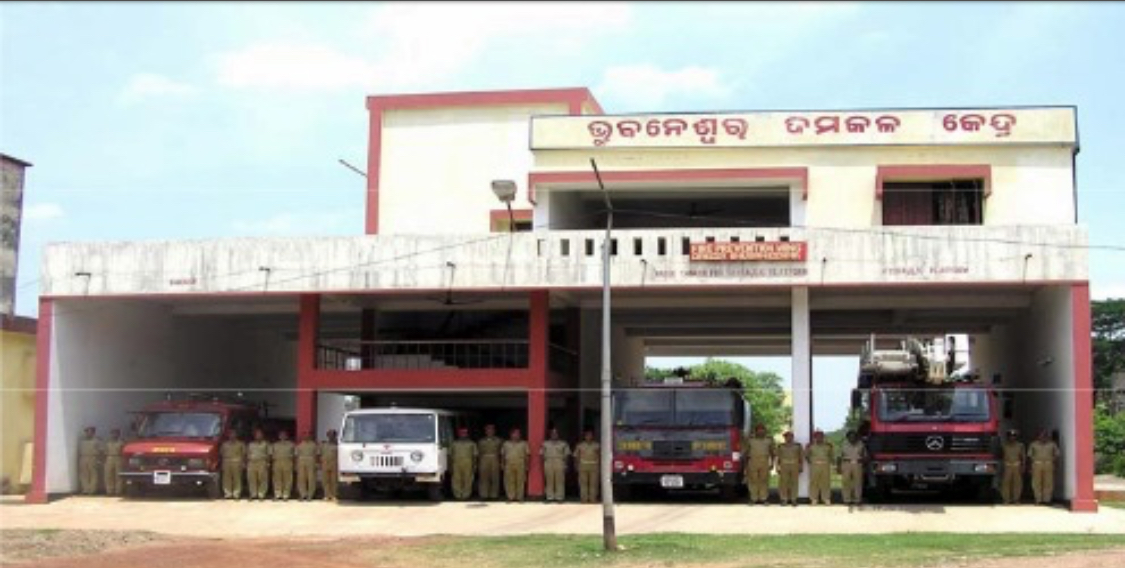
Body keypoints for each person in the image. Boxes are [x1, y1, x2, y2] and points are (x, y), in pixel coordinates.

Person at [743, 424, 775, 505]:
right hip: (753, 461)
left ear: (765, 431)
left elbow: (772, 452)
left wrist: (772, 463)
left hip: (764, 461)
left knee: (764, 480)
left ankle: (763, 498)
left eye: (762, 430)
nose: (761, 432)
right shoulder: (750, 440)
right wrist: (745, 465)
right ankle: (753, 498)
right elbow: (746, 453)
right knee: (753, 480)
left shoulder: (769, 440)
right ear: (756, 431)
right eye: (759, 430)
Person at [1028, 429, 1060, 505]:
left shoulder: (1052, 444)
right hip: (1037, 464)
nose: (1043, 437)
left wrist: (1056, 465)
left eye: (1045, 435)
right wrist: (1029, 467)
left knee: (1048, 482)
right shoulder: (1033, 444)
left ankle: (1047, 500)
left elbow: (1056, 455)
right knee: (1036, 482)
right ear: (1038, 436)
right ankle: (1038, 499)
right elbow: (1029, 456)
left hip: (1049, 464)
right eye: (1041, 435)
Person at [540, 428, 571, 503]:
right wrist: (543, 463)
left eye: (556, 433)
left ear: (558, 434)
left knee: (559, 480)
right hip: (548, 461)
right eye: (552, 433)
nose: (554, 435)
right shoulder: (545, 443)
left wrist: (566, 465)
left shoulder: (563, 444)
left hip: (559, 462)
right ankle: (550, 497)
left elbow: (567, 455)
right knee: (549, 480)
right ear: (550, 434)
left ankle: (559, 497)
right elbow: (541, 454)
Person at [501, 428, 530, 502]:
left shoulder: (524, 443)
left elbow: (527, 455)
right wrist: (502, 464)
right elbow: (503, 455)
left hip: (520, 463)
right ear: (511, 435)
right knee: (509, 480)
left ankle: (519, 497)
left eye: (518, 434)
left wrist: (527, 465)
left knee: (520, 480)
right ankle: (511, 497)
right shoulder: (506, 444)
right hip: (509, 463)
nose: (517, 435)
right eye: (515, 434)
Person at [805, 430, 834, 505]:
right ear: (814, 438)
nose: (819, 438)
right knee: (814, 482)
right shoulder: (810, 446)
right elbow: (807, 456)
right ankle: (814, 499)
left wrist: (828, 462)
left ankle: (826, 498)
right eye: (817, 436)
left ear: (823, 437)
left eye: (821, 436)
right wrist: (812, 462)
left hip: (825, 465)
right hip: (815, 465)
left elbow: (831, 456)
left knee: (825, 482)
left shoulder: (828, 446)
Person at [838, 430, 867, 505]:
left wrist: (863, 464)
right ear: (847, 437)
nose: (852, 437)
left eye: (854, 436)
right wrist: (838, 467)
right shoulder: (843, 444)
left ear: (856, 437)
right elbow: (839, 456)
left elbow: (865, 456)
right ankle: (846, 500)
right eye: (850, 436)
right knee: (846, 482)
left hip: (857, 464)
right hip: (846, 463)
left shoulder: (861, 444)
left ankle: (857, 500)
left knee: (858, 482)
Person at [450, 427, 478, 500]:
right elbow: (450, 455)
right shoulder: (454, 444)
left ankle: (466, 495)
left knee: (468, 480)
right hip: (456, 464)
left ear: (467, 434)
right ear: (458, 434)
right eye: (461, 433)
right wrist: (450, 466)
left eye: (465, 433)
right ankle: (458, 495)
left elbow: (475, 456)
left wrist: (474, 466)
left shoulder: (472, 443)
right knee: (456, 480)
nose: (463, 434)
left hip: (468, 464)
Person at [476, 424, 503, 501]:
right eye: (488, 430)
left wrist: (501, 462)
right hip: (484, 459)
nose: (490, 431)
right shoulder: (481, 441)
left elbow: (502, 452)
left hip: (495, 459)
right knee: (484, 478)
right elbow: (479, 453)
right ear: (485, 431)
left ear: (494, 431)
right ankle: (484, 495)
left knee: (495, 477)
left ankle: (494, 495)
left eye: (491, 429)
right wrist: (478, 463)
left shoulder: (499, 440)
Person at [999, 429, 1026, 505]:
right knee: (1006, 483)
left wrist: (1023, 466)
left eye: (1014, 436)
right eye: (1010, 436)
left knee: (1017, 483)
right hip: (1007, 465)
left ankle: (1016, 499)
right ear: (1008, 437)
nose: (1012, 437)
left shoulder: (1020, 445)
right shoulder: (1004, 445)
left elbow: (1023, 456)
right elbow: (1001, 456)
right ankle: (1006, 499)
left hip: (1017, 465)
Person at [777, 431, 803, 506]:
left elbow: (801, 457)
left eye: (790, 436)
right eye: (787, 436)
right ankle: (784, 499)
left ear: (793, 437)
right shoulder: (781, 446)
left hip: (794, 465)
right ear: (784, 438)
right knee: (783, 483)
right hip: (784, 465)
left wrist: (801, 466)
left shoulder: (797, 446)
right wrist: (777, 467)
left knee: (794, 482)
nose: (788, 438)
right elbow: (778, 457)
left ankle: (793, 499)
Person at [574, 430, 600, 504]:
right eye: (587, 435)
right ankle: (584, 499)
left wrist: (600, 466)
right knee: (583, 483)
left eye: (590, 435)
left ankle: (593, 499)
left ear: (593, 436)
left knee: (593, 483)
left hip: (594, 465)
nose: (589, 437)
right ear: (585, 437)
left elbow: (599, 456)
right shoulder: (580, 445)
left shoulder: (596, 445)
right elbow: (576, 456)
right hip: (583, 465)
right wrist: (576, 465)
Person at [220, 429, 247, 500]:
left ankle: (236, 494)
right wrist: (222, 463)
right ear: (228, 435)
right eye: (231, 434)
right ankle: (227, 493)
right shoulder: (224, 444)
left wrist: (243, 463)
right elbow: (222, 454)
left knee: (237, 478)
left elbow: (244, 454)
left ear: (236, 435)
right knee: (226, 479)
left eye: (234, 434)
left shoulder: (241, 444)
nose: (232, 435)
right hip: (227, 462)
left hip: (237, 462)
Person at [246, 428, 271, 501]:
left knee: (262, 479)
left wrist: (268, 463)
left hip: (262, 462)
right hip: (252, 463)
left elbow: (269, 454)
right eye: (257, 434)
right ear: (254, 436)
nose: (258, 436)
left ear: (262, 435)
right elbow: (248, 454)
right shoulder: (251, 444)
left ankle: (261, 494)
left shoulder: (266, 444)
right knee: (252, 479)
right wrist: (247, 463)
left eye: (260, 434)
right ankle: (253, 494)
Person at [271, 430, 296, 501]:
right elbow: (271, 455)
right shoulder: (275, 445)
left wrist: (294, 464)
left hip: (287, 462)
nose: (282, 436)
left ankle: (286, 495)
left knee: (287, 479)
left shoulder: (291, 444)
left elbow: (294, 455)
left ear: (287, 436)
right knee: (277, 479)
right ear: (279, 436)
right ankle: (278, 494)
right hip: (277, 462)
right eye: (281, 435)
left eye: (284, 435)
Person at [295, 431, 319, 501]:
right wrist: (296, 464)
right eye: (304, 435)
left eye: (308, 435)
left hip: (311, 461)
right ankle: (303, 494)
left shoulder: (314, 445)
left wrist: (317, 463)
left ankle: (310, 495)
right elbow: (296, 455)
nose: (306, 436)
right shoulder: (299, 445)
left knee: (311, 478)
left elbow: (317, 455)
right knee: (301, 479)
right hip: (301, 461)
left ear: (310, 436)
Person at [77, 427, 102, 496]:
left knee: (93, 474)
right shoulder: (82, 440)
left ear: (93, 433)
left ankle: (92, 490)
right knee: (84, 474)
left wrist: (99, 459)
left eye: (90, 432)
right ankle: (85, 489)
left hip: (93, 457)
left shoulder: (97, 440)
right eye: (87, 432)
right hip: (83, 457)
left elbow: (100, 450)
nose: (88, 433)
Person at [103, 428, 125, 496]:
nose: (114, 435)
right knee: (108, 475)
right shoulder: (108, 442)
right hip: (109, 457)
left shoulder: (121, 442)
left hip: (118, 457)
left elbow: (123, 451)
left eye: (116, 433)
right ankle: (109, 491)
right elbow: (105, 451)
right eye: (112, 433)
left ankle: (118, 491)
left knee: (118, 475)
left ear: (119, 434)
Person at [320, 429, 339, 501]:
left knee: (334, 480)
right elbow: (320, 454)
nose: (330, 436)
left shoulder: (337, 445)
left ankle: (334, 495)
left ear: (335, 436)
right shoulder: (324, 444)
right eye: (329, 435)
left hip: (334, 464)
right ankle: (327, 495)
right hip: (325, 463)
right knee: (325, 480)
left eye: (332, 435)